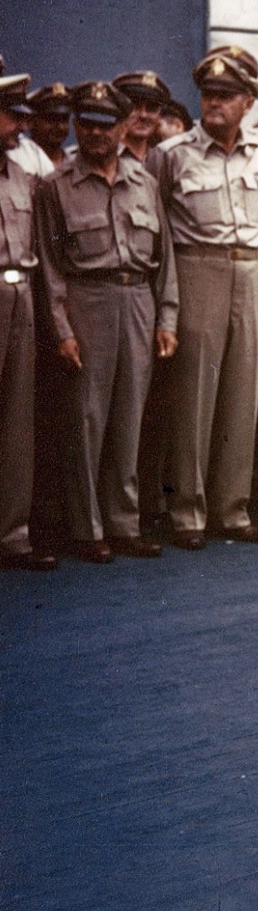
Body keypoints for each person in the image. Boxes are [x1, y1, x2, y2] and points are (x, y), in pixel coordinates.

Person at [37, 81, 179, 562]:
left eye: (105, 126)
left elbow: (165, 260)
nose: (95, 135)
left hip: (138, 300)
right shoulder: (55, 187)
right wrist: (62, 329)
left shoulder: (145, 182)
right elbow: (52, 267)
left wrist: (168, 318)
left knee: (129, 417)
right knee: (86, 419)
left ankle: (124, 521)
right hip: (87, 301)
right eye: (86, 125)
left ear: (122, 129)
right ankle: (87, 528)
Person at [157, 46, 258, 550]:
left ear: (248, 101)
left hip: (251, 269)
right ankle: (186, 510)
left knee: (242, 393)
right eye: (208, 94)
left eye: (226, 96)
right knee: (194, 395)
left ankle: (232, 508)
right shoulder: (172, 155)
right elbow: (162, 230)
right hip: (197, 267)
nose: (215, 103)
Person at [0, 72, 55, 570]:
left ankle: (13, 534)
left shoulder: (24, 174)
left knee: (18, 421)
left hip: (21, 296)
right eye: (11, 113)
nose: (20, 124)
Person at [111, 72, 172, 163]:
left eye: (151, 108)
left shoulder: (166, 160)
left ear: (159, 115)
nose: (143, 115)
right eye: (135, 107)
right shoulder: (103, 155)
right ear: (118, 110)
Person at [24, 82, 70, 174]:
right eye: (52, 120)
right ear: (31, 122)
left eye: (64, 120)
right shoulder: (19, 159)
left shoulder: (74, 162)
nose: (60, 127)